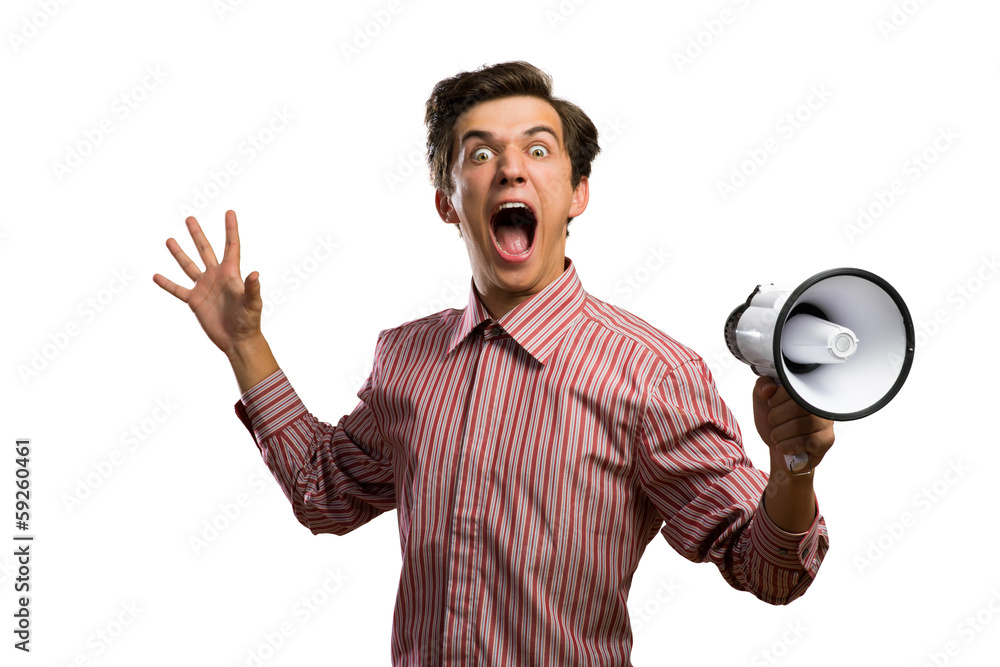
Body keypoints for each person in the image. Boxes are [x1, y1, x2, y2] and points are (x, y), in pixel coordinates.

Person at [153, 61, 833, 665]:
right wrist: (246, 345)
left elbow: (771, 572)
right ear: (447, 200)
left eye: (538, 149)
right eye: (480, 154)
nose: (511, 167)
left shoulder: (652, 371)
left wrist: (793, 465)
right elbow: (324, 493)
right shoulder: (406, 357)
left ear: (576, 193)